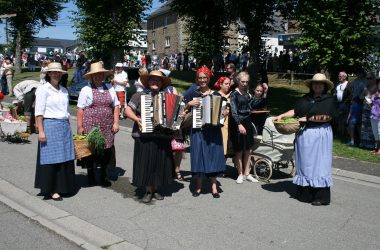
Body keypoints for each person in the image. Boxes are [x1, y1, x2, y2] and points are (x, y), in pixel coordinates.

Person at [273, 73, 337, 206]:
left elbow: (328, 117)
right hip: (304, 135)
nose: (317, 85)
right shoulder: (306, 98)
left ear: (325, 86)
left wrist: (308, 119)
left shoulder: (329, 100)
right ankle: (305, 193)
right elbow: (296, 111)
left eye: (320, 83)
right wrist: (282, 115)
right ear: (311, 85)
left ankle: (320, 196)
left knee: (319, 163)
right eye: (315, 83)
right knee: (305, 163)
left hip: (320, 134)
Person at [125, 70, 174, 203]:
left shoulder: (167, 97)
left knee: (159, 164)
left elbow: (174, 115)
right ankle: (148, 190)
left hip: (162, 136)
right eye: (152, 80)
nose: (155, 82)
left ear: (161, 83)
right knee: (146, 164)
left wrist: (177, 116)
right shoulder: (139, 95)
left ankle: (156, 189)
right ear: (148, 82)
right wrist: (136, 119)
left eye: (158, 80)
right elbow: (127, 109)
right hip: (144, 136)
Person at [34, 62, 76, 201]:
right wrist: (41, 131)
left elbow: (65, 111)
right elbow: (39, 112)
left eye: (58, 72)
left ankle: (63, 187)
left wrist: (69, 128)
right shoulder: (43, 89)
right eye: (53, 72)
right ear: (49, 74)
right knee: (51, 159)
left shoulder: (64, 90)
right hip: (50, 125)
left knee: (65, 158)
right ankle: (52, 189)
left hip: (64, 125)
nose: (56, 74)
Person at [183, 67, 226, 198]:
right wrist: (188, 104)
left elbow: (223, 111)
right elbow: (182, 110)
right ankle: (198, 187)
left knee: (213, 156)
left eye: (204, 78)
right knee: (198, 156)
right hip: (197, 130)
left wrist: (225, 113)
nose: (202, 80)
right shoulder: (192, 93)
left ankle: (214, 187)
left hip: (213, 131)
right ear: (197, 79)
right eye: (200, 78)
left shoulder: (216, 95)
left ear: (208, 79)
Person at [77, 62, 120, 187]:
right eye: (96, 75)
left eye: (100, 74)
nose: (98, 77)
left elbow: (116, 106)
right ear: (91, 76)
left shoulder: (110, 88)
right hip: (90, 124)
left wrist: (116, 122)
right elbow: (80, 109)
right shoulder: (86, 90)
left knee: (106, 151)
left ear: (104, 75)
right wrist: (80, 126)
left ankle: (103, 176)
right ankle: (91, 176)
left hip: (107, 125)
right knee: (91, 150)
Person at [230, 72, 267, 184]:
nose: (245, 84)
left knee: (249, 149)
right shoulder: (234, 94)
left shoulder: (247, 94)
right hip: (238, 123)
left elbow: (252, 105)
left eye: (246, 82)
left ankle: (247, 173)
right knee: (239, 150)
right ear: (238, 81)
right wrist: (239, 124)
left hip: (247, 121)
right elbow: (233, 111)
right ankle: (240, 173)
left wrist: (265, 93)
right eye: (243, 82)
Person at [214, 76, 231, 157]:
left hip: (229, 125)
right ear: (220, 84)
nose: (228, 85)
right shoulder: (216, 94)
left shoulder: (229, 96)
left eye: (229, 84)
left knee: (227, 150)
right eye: (226, 84)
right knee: (221, 148)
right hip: (221, 126)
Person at [331, 71, 352, 137]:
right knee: (338, 119)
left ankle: (344, 134)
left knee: (344, 119)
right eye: (339, 76)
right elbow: (333, 92)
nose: (339, 77)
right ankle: (338, 133)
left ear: (345, 77)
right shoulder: (337, 84)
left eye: (340, 76)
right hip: (337, 104)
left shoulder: (348, 84)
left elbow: (351, 94)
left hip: (345, 104)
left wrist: (346, 101)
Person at [359, 72, 377, 149]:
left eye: (370, 78)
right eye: (367, 78)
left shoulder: (377, 87)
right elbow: (360, 97)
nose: (368, 80)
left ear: (374, 79)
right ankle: (364, 143)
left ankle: (373, 145)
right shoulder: (366, 87)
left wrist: (372, 96)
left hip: (374, 110)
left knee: (372, 128)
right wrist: (365, 96)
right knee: (364, 127)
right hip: (365, 110)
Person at [369, 80, 380, 154]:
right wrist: (369, 102)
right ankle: (376, 149)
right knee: (375, 133)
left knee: (379, 132)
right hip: (373, 115)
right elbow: (372, 104)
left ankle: (379, 150)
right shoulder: (375, 93)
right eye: (379, 84)